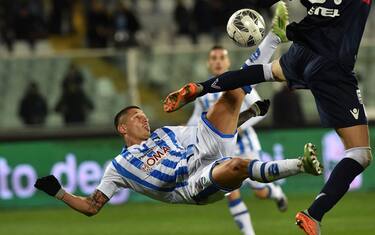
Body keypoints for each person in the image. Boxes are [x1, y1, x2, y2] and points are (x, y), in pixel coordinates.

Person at [34, 46, 323, 221]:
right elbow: (91, 207)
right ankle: (300, 165)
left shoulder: (165, 134)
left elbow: (204, 134)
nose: (144, 120)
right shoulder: (117, 168)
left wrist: (250, 113)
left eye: (145, 116)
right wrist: (59, 193)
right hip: (190, 187)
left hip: (204, 155)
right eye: (137, 118)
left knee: (233, 91)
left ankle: (273, 39)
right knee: (238, 165)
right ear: (123, 128)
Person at [163, 1, 372, 234]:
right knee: (359, 153)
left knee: (262, 72)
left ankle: (200, 87)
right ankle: (314, 213)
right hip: (333, 63)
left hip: (303, 52)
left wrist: (201, 89)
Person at [187, 6, 289, 231]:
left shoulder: (238, 81)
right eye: (213, 58)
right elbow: (195, 122)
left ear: (227, 62)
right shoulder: (204, 93)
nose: (217, 61)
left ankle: (276, 192)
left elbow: (259, 110)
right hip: (222, 148)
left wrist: (236, 125)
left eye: (221, 57)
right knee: (230, 193)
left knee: (260, 191)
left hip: (245, 143)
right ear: (208, 63)